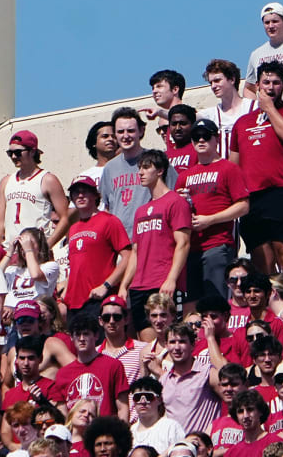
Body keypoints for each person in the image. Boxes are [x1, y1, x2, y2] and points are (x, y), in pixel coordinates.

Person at [229, 62, 283, 296]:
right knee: (260, 258)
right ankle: (268, 310)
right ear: (257, 86)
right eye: (266, 82)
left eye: (276, 82)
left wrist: (270, 109)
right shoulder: (242, 123)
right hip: (252, 198)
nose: (271, 87)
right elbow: (233, 166)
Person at [177, 119, 251, 303]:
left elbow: (243, 206)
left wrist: (210, 220)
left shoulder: (229, 168)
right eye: (196, 137)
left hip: (217, 245)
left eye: (205, 136)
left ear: (216, 139)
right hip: (190, 248)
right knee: (192, 306)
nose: (201, 141)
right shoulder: (184, 176)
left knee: (216, 302)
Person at [117, 150, 191, 326]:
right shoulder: (141, 210)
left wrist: (172, 278)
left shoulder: (175, 202)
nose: (140, 172)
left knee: (167, 338)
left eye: (146, 167)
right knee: (146, 344)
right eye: (139, 168)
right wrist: (124, 285)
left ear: (160, 171)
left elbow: (183, 243)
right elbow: (136, 252)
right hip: (139, 286)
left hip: (163, 283)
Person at [62, 176, 131, 322]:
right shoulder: (73, 228)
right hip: (73, 302)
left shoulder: (109, 221)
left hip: (97, 299)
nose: (80, 195)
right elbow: (76, 265)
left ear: (95, 195)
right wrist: (66, 290)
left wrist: (106, 285)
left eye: (85, 191)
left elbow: (128, 256)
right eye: (76, 192)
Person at [99, 109, 174, 237]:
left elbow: (173, 195)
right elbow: (106, 207)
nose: (126, 136)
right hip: (121, 241)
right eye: (121, 132)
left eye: (131, 131)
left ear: (141, 131)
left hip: (152, 235)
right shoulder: (110, 168)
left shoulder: (157, 160)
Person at [0, 131, 71, 251]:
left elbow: (65, 217)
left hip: (36, 250)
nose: (13, 156)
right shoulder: (6, 181)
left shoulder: (47, 179)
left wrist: (46, 246)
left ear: (33, 151)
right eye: (10, 153)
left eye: (18, 152)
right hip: (11, 252)